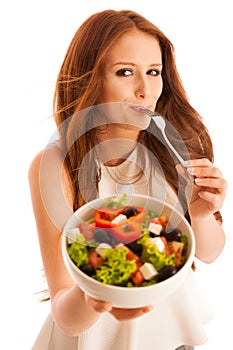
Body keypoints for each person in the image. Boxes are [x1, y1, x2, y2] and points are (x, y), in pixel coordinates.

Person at [28, 9, 227, 350]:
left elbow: (209, 253)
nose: (145, 90)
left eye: (153, 72)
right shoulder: (55, 165)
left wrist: (202, 213)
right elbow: (66, 314)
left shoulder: (177, 147)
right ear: (89, 79)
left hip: (171, 340)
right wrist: (96, 293)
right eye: (124, 72)